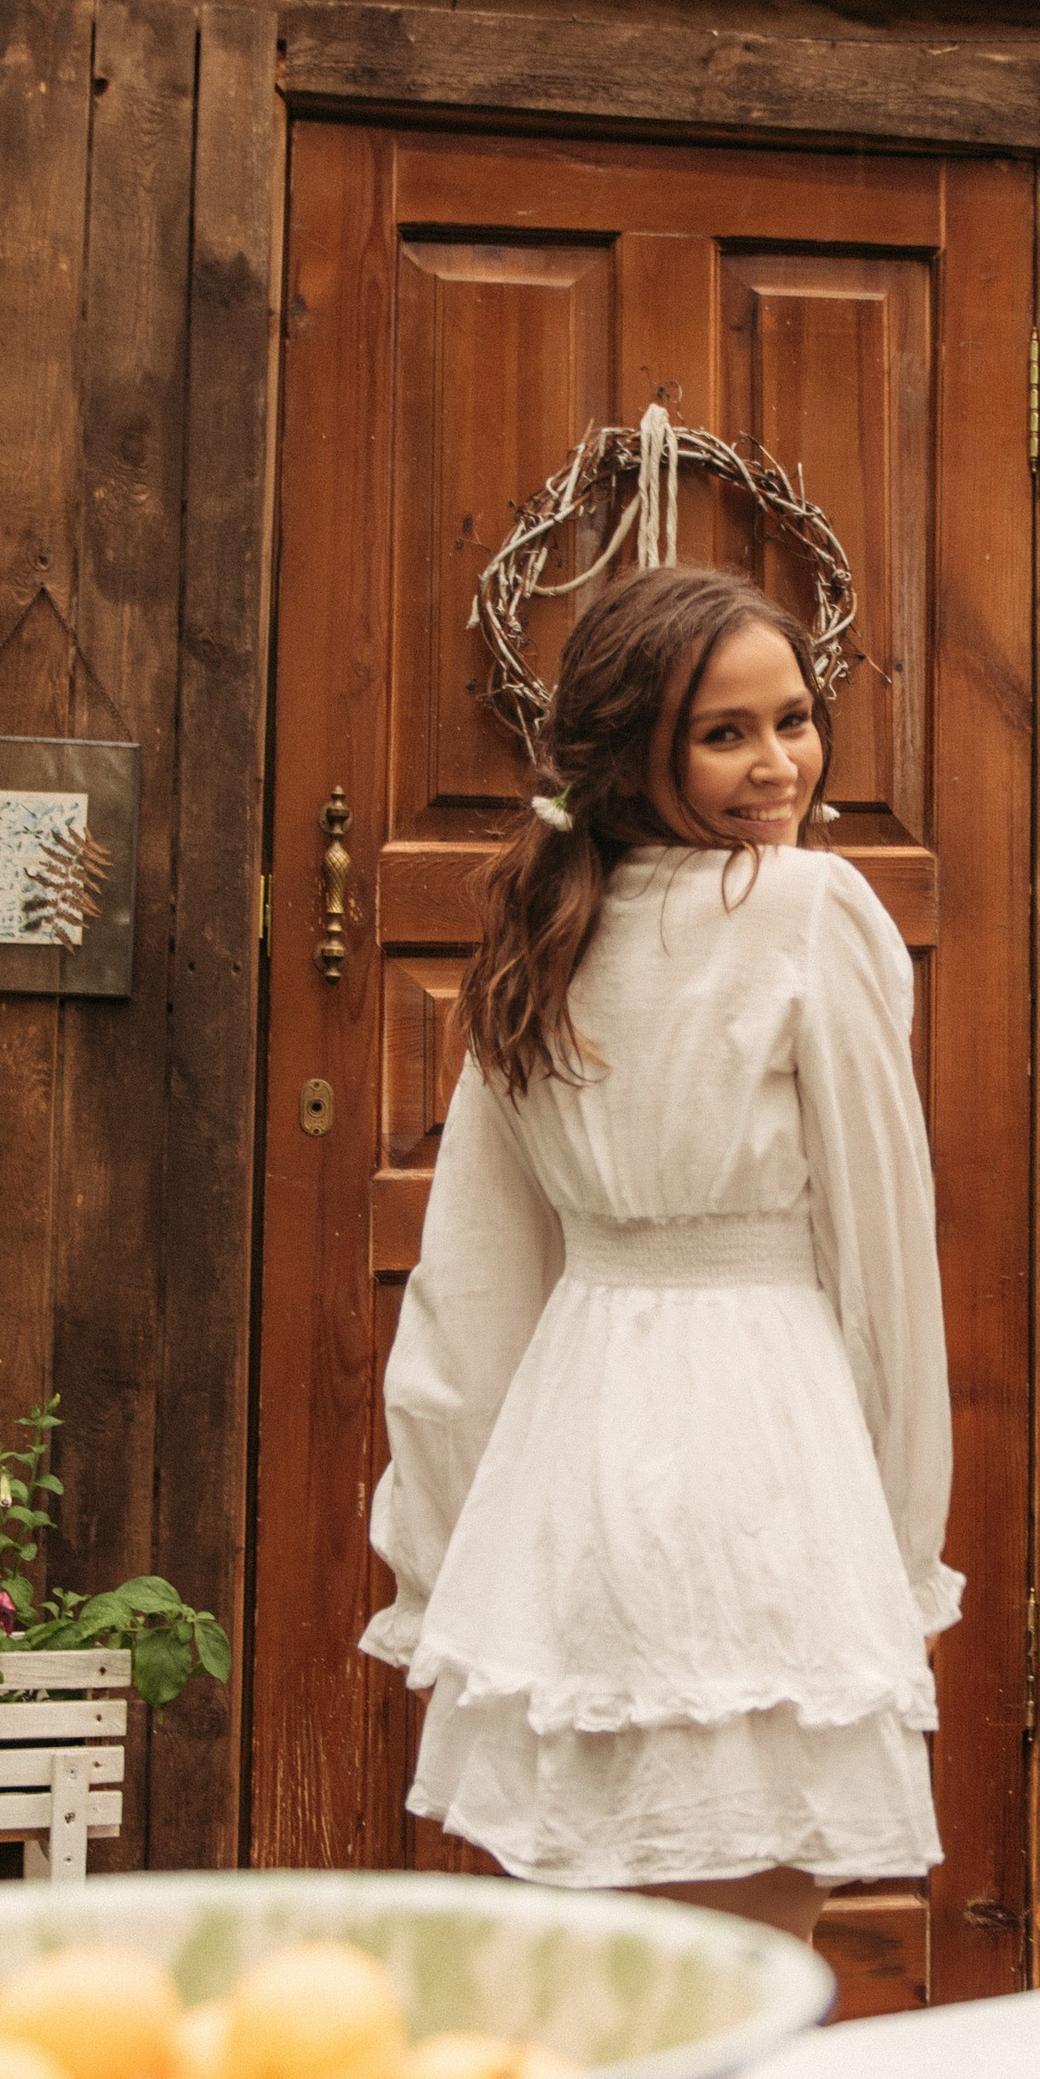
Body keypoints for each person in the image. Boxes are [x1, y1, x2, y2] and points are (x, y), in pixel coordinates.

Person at [360, 564, 955, 1944]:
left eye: (794, 718)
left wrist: (445, 1557)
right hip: (760, 1444)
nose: (779, 764)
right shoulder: (809, 907)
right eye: (724, 731)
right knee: (755, 1950)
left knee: (599, 1945)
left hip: (573, 1443)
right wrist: (898, 1544)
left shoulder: (537, 923)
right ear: (639, 748)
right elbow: (883, 1249)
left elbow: (474, 1291)